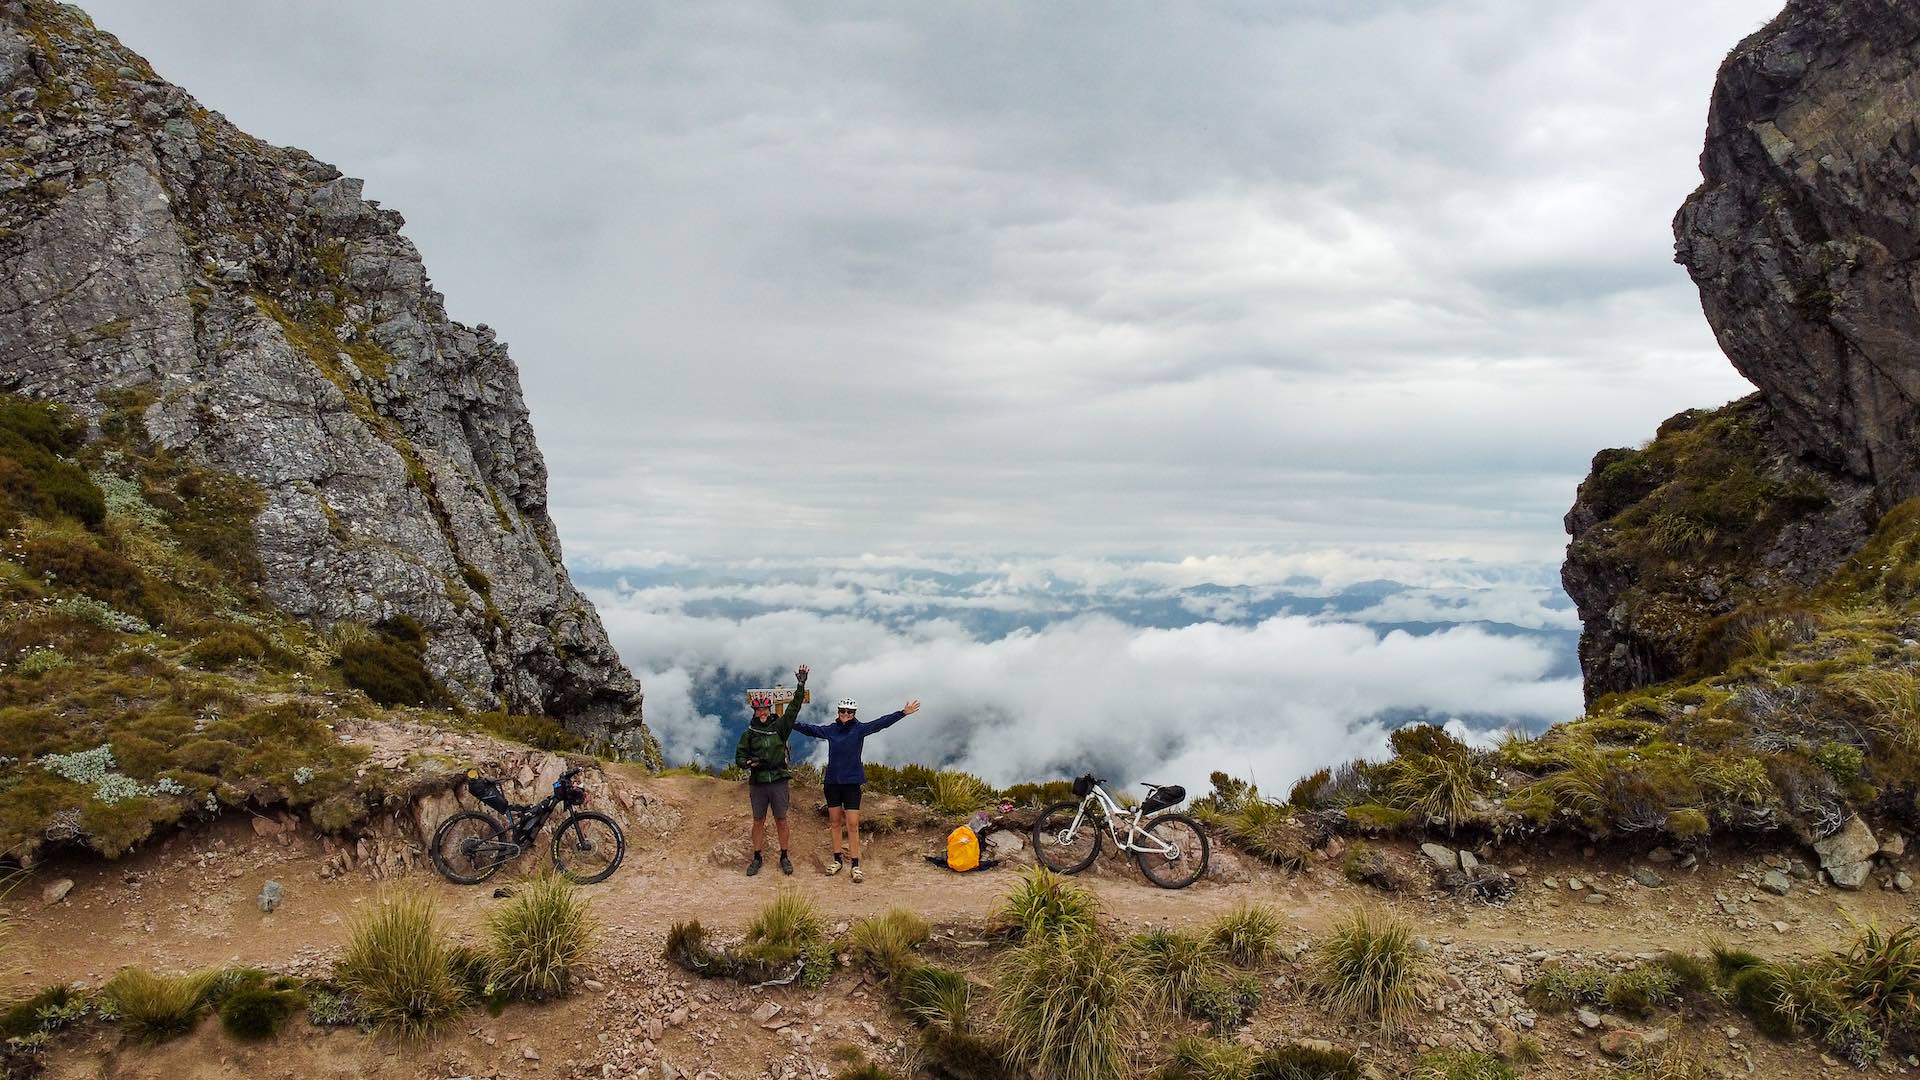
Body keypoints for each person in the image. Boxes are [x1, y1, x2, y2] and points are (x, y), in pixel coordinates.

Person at [794, 694, 921, 883]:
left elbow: (881, 723)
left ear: (854, 713)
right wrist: (790, 722)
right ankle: (837, 860)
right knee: (835, 822)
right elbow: (810, 730)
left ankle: (855, 865)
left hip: (852, 783)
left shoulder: (860, 729)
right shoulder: (831, 730)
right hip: (832, 783)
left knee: (852, 824)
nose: (846, 714)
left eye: (849, 712)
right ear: (838, 712)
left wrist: (902, 713)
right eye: (843, 711)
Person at [734, 664, 809, 876]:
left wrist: (800, 685)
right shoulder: (749, 734)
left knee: (781, 819)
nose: (763, 712)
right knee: (758, 820)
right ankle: (757, 857)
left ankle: (784, 856)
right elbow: (739, 757)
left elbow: (794, 707)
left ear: (769, 709)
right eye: (759, 709)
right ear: (755, 712)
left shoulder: (780, 727)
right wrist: (748, 763)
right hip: (758, 782)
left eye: (765, 709)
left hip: (778, 779)